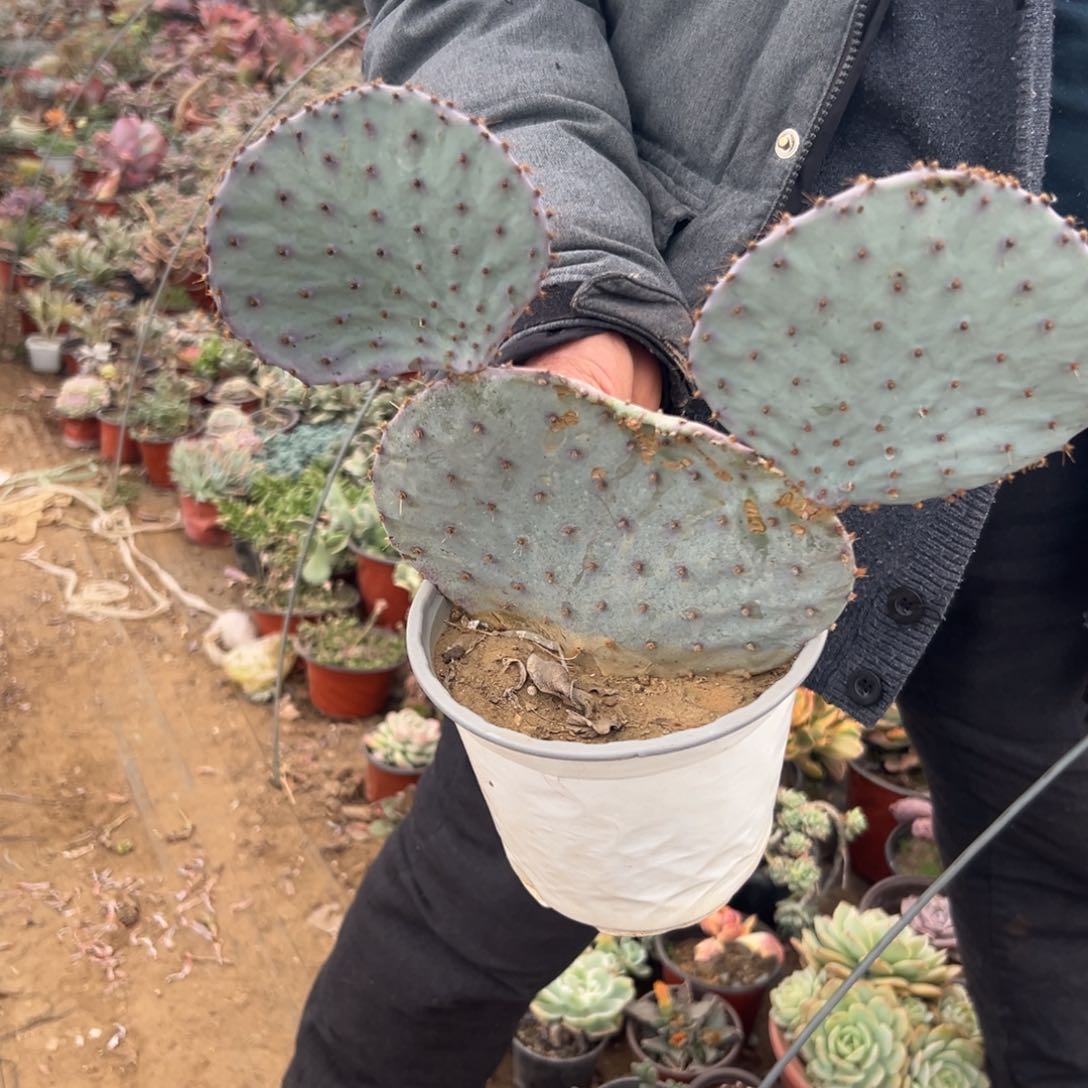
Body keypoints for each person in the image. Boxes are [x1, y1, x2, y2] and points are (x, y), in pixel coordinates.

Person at [283, 2, 1088, 1085]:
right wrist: (575, 291)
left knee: (1061, 891)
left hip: (1040, 420)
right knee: (477, 897)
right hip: (690, 391)